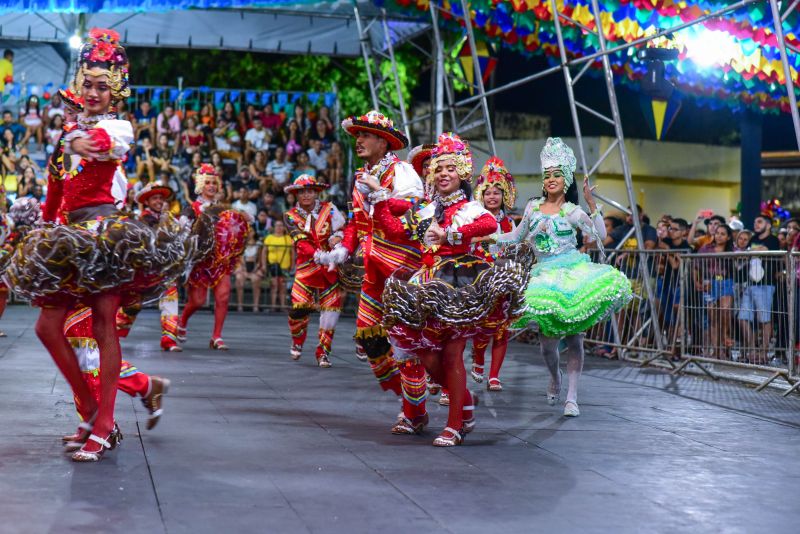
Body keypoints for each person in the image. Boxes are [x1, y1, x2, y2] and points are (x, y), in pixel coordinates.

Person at [3, 29, 199, 461]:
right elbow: (56, 200)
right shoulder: (63, 140)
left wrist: (71, 138)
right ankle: (92, 410)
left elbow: (99, 145)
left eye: (101, 86)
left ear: (115, 92)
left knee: (101, 328)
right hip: (71, 241)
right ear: (77, 84)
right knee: (46, 326)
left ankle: (104, 424)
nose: (92, 92)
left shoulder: (119, 126)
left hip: (106, 240)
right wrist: (42, 237)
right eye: (87, 84)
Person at [377, 133, 526, 446]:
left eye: (450, 168)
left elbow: (488, 226)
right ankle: (466, 402)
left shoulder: (469, 207)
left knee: (452, 355)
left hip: (460, 283)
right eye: (438, 169)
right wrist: (378, 199)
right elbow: (394, 228)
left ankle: (455, 424)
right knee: (425, 355)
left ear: (462, 173)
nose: (443, 173)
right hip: (427, 285)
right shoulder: (427, 210)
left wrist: (451, 236)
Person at [493, 137, 632, 417]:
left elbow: (601, 236)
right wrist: (489, 237)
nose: (551, 179)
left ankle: (572, 396)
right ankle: (555, 376)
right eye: (547, 175)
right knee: (546, 345)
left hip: (573, 276)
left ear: (566, 180)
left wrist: (593, 204)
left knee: (575, 339)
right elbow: (515, 237)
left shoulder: (572, 211)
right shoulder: (532, 207)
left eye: (557, 174)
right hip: (544, 277)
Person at [317, 110, 429, 434]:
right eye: (357, 136)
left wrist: (380, 194)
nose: (359, 141)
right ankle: (410, 400)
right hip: (373, 270)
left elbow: (405, 225)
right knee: (370, 341)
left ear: (383, 141)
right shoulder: (362, 176)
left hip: (402, 270)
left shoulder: (403, 173)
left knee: (405, 344)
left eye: (365, 135)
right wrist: (342, 249)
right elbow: (356, 222)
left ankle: (414, 412)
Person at [178, 164, 249, 350]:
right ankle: (182, 320)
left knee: (223, 296)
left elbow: (235, 228)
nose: (211, 186)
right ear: (200, 185)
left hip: (220, 260)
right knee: (198, 301)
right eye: (207, 182)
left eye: (214, 183)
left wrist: (243, 219)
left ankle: (216, 336)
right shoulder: (191, 208)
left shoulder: (223, 209)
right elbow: (182, 229)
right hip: (200, 261)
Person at [283, 175, 345, 367]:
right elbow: (300, 242)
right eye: (302, 192)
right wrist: (320, 255)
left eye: (310, 191)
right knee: (299, 308)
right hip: (306, 270)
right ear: (296, 195)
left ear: (317, 192)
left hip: (330, 269)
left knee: (331, 312)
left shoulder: (330, 209)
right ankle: (297, 339)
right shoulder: (290, 216)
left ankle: (323, 352)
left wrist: (338, 239)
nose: (306, 195)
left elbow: (342, 229)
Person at [469, 156, 517, 391]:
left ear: (504, 195)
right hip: (479, 279)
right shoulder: (474, 219)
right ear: (481, 195)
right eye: (488, 192)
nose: (492, 196)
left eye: (497, 192)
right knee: (481, 325)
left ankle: (495, 375)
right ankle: (478, 359)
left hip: (503, 280)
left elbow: (516, 246)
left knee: (502, 326)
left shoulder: (510, 223)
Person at [134, 182, 184, 351]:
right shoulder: (143, 219)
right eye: (154, 198)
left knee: (170, 299)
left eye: (161, 198)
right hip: (146, 269)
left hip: (165, 269)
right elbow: (157, 237)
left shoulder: (169, 217)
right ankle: (114, 330)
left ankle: (169, 340)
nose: (159, 201)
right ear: (147, 202)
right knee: (131, 304)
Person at [738, 214, 780, 364]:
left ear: (768, 225)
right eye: (755, 221)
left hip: (765, 285)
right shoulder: (753, 239)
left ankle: (763, 352)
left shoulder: (773, 240)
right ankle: (752, 350)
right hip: (750, 285)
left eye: (759, 221)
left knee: (764, 319)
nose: (756, 224)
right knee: (743, 318)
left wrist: (750, 251)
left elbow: (761, 250)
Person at [697, 224, 735, 357]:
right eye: (717, 233)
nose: (719, 236)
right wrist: (698, 281)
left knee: (725, 311)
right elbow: (695, 265)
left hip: (726, 282)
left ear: (729, 237)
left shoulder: (733, 250)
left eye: (723, 234)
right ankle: (717, 350)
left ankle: (725, 339)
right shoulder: (706, 248)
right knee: (713, 318)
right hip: (709, 283)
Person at [263, 219, 292, 311]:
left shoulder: (288, 238)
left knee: (282, 285)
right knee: (274, 285)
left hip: (284, 266)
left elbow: (293, 253)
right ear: (274, 227)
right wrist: (264, 265)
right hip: (272, 266)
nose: (279, 227)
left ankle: (283, 306)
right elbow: (264, 252)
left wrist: (293, 264)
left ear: (284, 228)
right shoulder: (269, 238)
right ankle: (273, 306)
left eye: (281, 225)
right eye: (277, 225)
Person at [234, 228, 264, 313]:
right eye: (248, 231)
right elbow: (239, 258)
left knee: (256, 280)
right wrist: (242, 267)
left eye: (252, 231)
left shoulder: (259, 245)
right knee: (239, 278)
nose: (250, 232)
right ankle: (240, 305)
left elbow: (260, 260)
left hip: (254, 267)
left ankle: (255, 305)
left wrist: (256, 268)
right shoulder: (242, 244)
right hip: (244, 267)